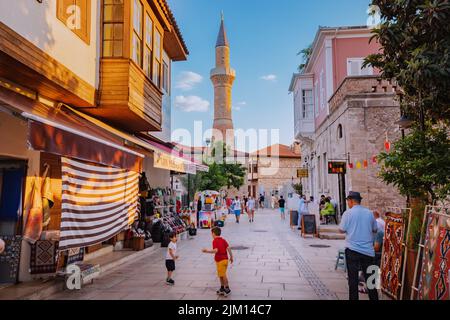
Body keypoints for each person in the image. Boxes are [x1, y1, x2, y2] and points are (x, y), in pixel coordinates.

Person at [339, 191, 379, 301]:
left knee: (353, 280)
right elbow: (375, 229)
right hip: (368, 251)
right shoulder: (370, 213)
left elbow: (341, 229)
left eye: (348, 201)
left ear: (351, 201)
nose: (348, 203)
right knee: (370, 280)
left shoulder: (347, 213)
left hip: (352, 249)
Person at [202, 227, 234, 297]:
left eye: (211, 234)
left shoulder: (215, 241)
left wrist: (206, 251)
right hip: (225, 260)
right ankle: (222, 288)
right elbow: (228, 248)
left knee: (223, 275)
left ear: (213, 233)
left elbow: (215, 250)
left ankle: (227, 288)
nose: (211, 235)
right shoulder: (223, 240)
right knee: (221, 274)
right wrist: (231, 257)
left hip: (220, 260)